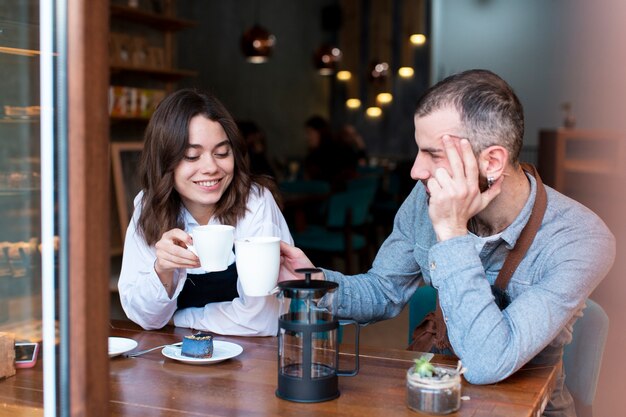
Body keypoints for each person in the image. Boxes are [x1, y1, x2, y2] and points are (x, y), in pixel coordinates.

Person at [278, 69, 615, 417]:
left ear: (492, 162)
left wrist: (452, 232)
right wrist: (314, 283)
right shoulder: (424, 198)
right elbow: (383, 289)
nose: (415, 171)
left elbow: (487, 362)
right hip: (436, 400)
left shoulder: (580, 238)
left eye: (433, 154)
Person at [118, 89, 293, 336]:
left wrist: (180, 318)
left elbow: (264, 318)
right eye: (192, 156)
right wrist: (162, 270)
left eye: (222, 153)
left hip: (253, 364)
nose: (211, 167)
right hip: (174, 360)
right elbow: (144, 317)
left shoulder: (255, 203)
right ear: (165, 161)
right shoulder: (150, 206)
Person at [302, 115, 357, 191]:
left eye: (310, 132)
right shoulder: (341, 148)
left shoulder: (334, 153)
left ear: (320, 132)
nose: (307, 137)